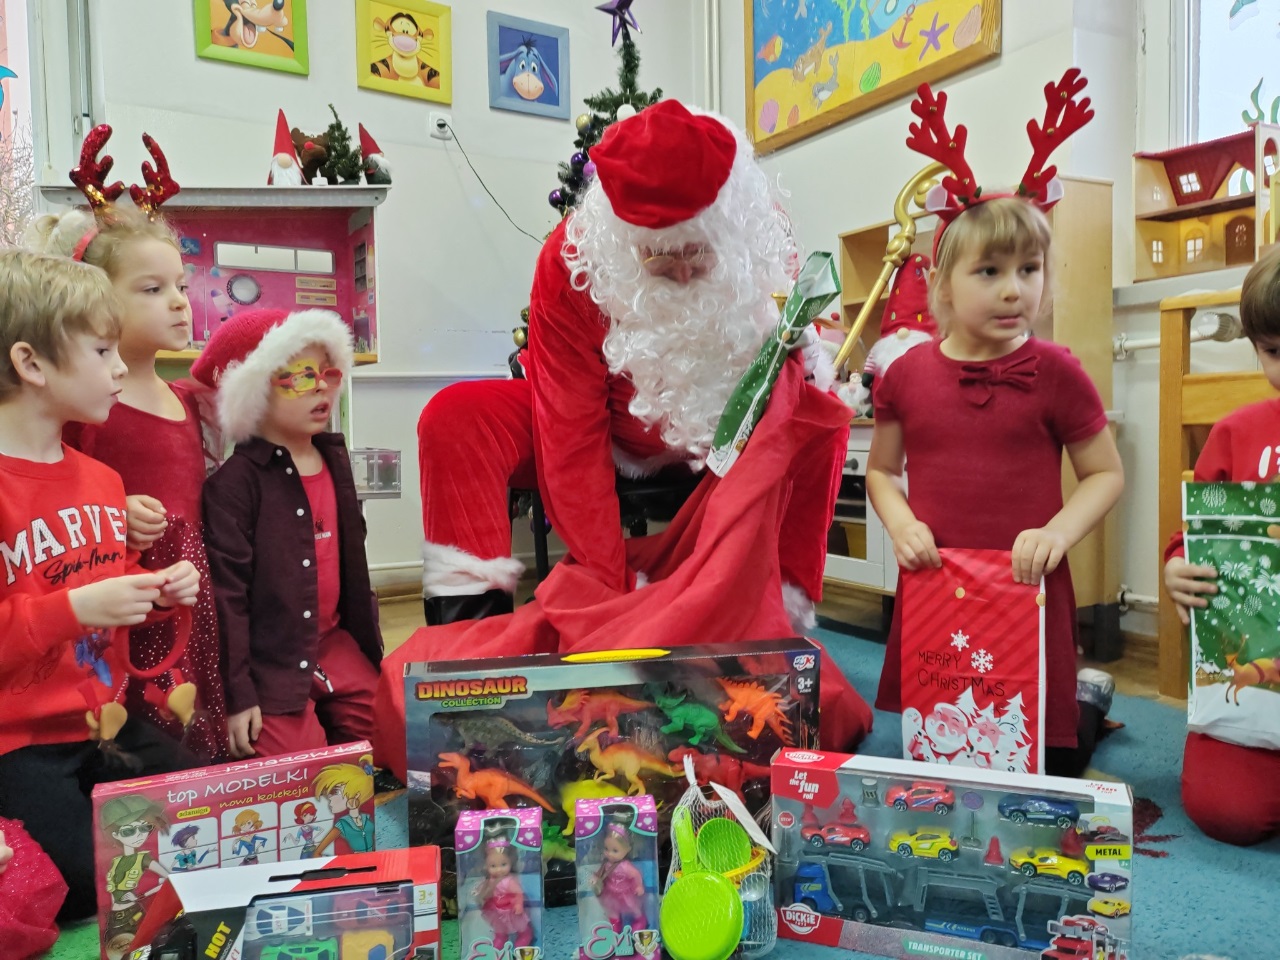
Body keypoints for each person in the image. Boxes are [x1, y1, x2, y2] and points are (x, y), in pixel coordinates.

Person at [387, 100, 871, 774]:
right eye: (659, 259)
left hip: (720, 437)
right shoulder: (572, 260)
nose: (681, 274)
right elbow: (569, 429)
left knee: (818, 405)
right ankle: (469, 647)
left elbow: (790, 381)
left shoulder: (760, 231)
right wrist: (609, 589)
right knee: (456, 416)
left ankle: (780, 607)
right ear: (622, 239)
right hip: (610, 426)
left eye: (697, 255)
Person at [867, 70, 1125, 778]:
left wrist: (1058, 534)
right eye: (989, 271)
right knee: (940, 751)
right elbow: (881, 471)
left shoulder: (1057, 372)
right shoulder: (906, 374)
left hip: (1027, 586)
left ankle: (1086, 702)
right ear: (941, 283)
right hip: (936, 585)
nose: (1015, 290)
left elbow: (1105, 474)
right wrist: (901, 524)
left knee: (1047, 758)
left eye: (1030, 269)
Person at [0, 249, 201, 919]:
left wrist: (154, 592)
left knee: (204, 813)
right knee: (90, 886)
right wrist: (73, 608)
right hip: (15, 744)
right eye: (102, 351)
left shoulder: (102, 481)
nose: (121, 368)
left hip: (99, 728)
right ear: (31, 364)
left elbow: (104, 590)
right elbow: (72, 603)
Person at [29, 132, 229, 761]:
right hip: (119, 587)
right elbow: (57, 494)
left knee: (193, 703)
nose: (179, 302)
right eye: (151, 289)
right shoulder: (88, 405)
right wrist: (117, 516)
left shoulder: (188, 399)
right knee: (135, 714)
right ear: (95, 299)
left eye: (181, 285)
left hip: (187, 583)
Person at [195, 308, 383, 760]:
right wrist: (237, 694)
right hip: (272, 659)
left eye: (327, 374)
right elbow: (226, 597)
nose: (321, 387)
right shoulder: (235, 485)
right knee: (297, 769)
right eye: (300, 377)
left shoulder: (333, 461)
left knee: (396, 731)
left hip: (334, 644)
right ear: (254, 393)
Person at [1162, 245, 1280, 846]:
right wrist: (1178, 569)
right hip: (1254, 692)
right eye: (1275, 351)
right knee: (1224, 810)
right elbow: (1190, 539)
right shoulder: (1237, 432)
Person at [309, 754, 377, 856]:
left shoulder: (367, 818)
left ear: (356, 794)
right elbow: (317, 852)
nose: (330, 798)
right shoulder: (343, 824)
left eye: (335, 792)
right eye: (329, 794)